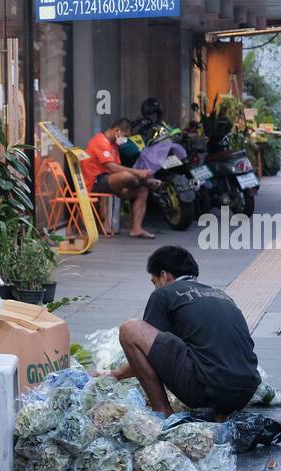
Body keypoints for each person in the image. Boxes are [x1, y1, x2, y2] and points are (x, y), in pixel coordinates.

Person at [102, 246, 260, 416]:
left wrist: (116, 374)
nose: (155, 287)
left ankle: (162, 410)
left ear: (164, 276)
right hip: (246, 392)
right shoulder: (222, 295)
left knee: (130, 329)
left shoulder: (164, 294)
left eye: (154, 281)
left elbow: (148, 354)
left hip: (205, 389)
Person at [80, 117, 161, 240]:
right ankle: (145, 181)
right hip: (95, 183)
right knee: (126, 176)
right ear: (117, 131)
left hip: (110, 182)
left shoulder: (113, 145)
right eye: (125, 136)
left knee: (142, 190)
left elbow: (117, 166)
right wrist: (138, 172)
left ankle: (136, 229)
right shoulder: (100, 141)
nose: (125, 140)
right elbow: (112, 167)